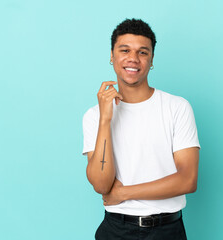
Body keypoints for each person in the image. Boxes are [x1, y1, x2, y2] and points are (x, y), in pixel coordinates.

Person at [82, 18, 200, 240]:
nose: (133, 59)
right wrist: (105, 120)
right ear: (111, 56)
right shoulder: (94, 116)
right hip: (115, 229)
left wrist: (124, 193)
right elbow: (101, 183)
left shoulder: (177, 107)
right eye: (124, 50)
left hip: (167, 230)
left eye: (143, 52)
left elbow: (188, 179)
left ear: (152, 59)